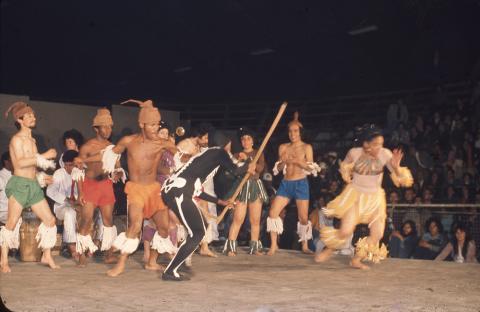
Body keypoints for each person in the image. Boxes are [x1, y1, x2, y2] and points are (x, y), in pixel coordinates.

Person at [92, 99, 178, 277]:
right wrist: (113, 169)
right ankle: (120, 264)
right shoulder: (128, 141)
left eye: (157, 124)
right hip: (136, 189)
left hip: (154, 189)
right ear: (142, 124)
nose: (155, 128)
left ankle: (151, 262)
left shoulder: (163, 143)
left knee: (163, 228)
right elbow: (109, 154)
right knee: (135, 226)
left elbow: (182, 157)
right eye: (152, 125)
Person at [315, 124, 413, 269]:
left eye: (380, 144)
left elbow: (400, 179)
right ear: (366, 144)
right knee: (345, 231)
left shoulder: (385, 154)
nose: (378, 147)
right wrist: (348, 175)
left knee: (377, 234)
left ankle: (356, 259)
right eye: (375, 144)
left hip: (375, 200)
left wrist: (397, 166)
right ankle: (329, 249)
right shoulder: (354, 153)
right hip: (356, 197)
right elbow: (344, 168)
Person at [161, 131, 256, 281]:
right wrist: (249, 164)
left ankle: (179, 262)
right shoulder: (219, 152)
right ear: (226, 144)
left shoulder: (204, 155)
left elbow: (197, 189)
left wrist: (220, 202)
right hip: (180, 191)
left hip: (174, 190)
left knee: (201, 226)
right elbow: (236, 168)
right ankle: (171, 270)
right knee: (197, 232)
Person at [1, 102, 59, 273]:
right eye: (29, 116)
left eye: (33, 115)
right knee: (11, 223)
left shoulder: (33, 140)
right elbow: (19, 163)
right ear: (20, 120)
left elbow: (31, 166)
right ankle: (3, 260)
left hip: (33, 186)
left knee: (50, 221)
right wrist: (44, 156)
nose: (33, 118)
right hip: (19, 185)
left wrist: (41, 177)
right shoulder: (16, 139)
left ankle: (46, 255)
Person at [74, 108, 123, 266]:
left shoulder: (112, 147)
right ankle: (81, 253)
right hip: (89, 185)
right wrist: (80, 191)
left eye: (110, 127)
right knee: (86, 220)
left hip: (105, 185)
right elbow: (78, 169)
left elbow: (118, 167)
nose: (108, 130)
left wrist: (117, 174)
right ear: (96, 128)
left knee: (108, 221)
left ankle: (108, 254)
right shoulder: (87, 147)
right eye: (105, 127)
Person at [267, 112, 320, 256]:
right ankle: (273, 245)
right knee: (273, 212)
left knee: (303, 218)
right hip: (286, 184)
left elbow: (311, 168)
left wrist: (298, 161)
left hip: (301, 183)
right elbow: (277, 169)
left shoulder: (306, 147)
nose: (292, 133)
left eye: (295, 131)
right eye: (290, 131)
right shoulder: (283, 147)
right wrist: (283, 161)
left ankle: (304, 245)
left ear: (300, 132)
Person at [223, 127, 268, 256]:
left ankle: (254, 247)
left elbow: (259, 169)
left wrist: (248, 161)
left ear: (253, 141)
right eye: (243, 139)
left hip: (255, 187)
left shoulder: (258, 153)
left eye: (248, 139)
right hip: (241, 187)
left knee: (255, 220)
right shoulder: (237, 155)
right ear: (241, 142)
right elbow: (232, 172)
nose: (246, 141)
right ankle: (231, 247)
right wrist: (241, 162)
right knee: (238, 218)